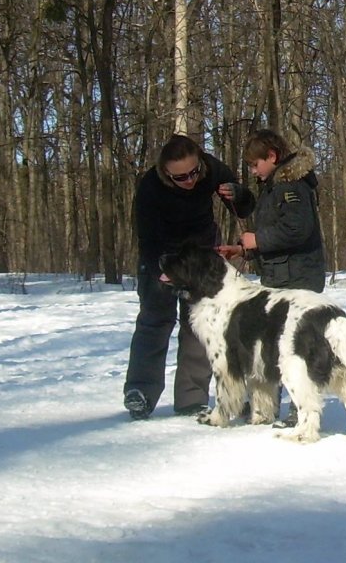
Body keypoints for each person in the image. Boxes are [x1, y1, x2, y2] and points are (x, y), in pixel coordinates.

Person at [124, 134, 256, 420]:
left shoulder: (212, 169)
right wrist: (159, 270)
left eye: (194, 172)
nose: (190, 180)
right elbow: (146, 239)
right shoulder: (150, 187)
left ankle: (191, 397)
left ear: (200, 161)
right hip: (163, 256)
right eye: (180, 177)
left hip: (201, 259)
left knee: (198, 327)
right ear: (166, 172)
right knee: (154, 322)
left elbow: (244, 207)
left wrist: (239, 194)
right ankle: (140, 392)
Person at [219, 128, 326, 428]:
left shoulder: (291, 186)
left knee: (298, 345)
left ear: (272, 156)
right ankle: (265, 406)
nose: (253, 170)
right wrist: (243, 249)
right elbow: (274, 236)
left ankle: (301, 409)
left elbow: (297, 231)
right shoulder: (273, 186)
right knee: (274, 344)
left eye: (255, 164)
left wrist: (257, 240)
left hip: (299, 279)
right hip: (280, 276)